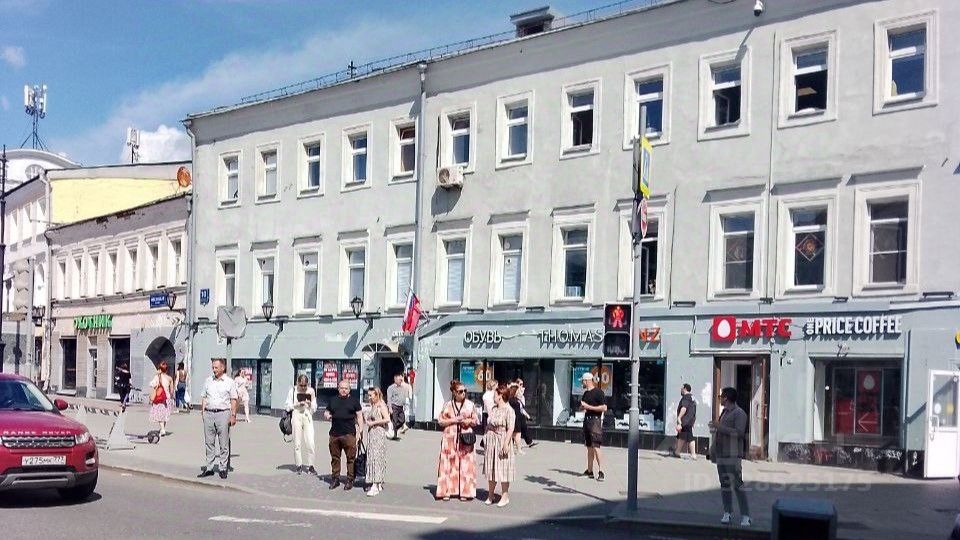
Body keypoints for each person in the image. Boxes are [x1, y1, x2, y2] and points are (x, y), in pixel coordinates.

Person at [709, 387, 751, 527]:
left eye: (721, 396)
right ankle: (727, 512)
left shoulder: (739, 413)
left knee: (737, 485)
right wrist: (713, 450)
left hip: (733, 454)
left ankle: (745, 515)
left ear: (726, 398)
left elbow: (739, 433)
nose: (720, 399)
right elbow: (720, 433)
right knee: (724, 485)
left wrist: (719, 427)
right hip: (721, 453)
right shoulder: (725, 412)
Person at [435, 379, 479, 502]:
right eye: (460, 391)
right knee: (448, 464)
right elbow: (440, 421)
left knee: (466, 464)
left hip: (465, 437)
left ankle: (466, 491)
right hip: (450, 437)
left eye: (465, 391)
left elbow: (476, 420)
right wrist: (454, 420)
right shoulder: (447, 405)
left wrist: (468, 421)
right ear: (454, 393)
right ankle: (446, 491)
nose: (463, 393)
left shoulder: (470, 405)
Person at [198, 358, 238, 479]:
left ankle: (223, 468)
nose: (214, 370)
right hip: (209, 413)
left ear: (222, 368)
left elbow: (234, 399)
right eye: (213, 367)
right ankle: (209, 467)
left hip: (223, 413)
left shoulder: (229, 382)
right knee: (209, 442)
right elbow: (204, 397)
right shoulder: (208, 381)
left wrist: (233, 415)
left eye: (216, 367)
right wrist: (203, 412)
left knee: (223, 443)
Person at [324, 380, 364, 490]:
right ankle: (335, 479)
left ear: (349, 390)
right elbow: (327, 412)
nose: (344, 390)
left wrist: (360, 431)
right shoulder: (333, 400)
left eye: (346, 388)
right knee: (335, 458)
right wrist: (327, 415)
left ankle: (350, 479)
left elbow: (359, 416)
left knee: (351, 458)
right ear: (338, 389)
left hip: (349, 434)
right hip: (334, 434)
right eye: (342, 388)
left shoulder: (354, 401)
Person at [483, 383, 516, 507]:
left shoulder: (509, 410)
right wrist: (486, 437)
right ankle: (490, 495)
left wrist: (506, 443)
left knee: (503, 469)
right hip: (491, 441)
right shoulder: (494, 409)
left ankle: (505, 496)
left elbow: (510, 428)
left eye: (495, 395)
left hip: (502, 440)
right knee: (491, 468)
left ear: (500, 396)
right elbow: (489, 424)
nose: (493, 397)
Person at [285, 374, 318, 476]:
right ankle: (298, 465)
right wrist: (296, 405)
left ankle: (311, 465)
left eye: (305, 385)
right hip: (296, 414)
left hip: (307, 415)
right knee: (297, 442)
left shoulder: (311, 391)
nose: (303, 388)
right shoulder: (293, 391)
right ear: (297, 383)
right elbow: (287, 406)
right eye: (301, 385)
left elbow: (314, 406)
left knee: (310, 442)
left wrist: (310, 405)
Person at [363, 387, 390, 496]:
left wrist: (373, 423)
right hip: (372, 434)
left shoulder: (381, 405)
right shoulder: (373, 405)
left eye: (371, 395)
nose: (369, 397)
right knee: (372, 457)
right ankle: (377, 483)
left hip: (378, 433)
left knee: (377, 458)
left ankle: (375, 484)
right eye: (368, 395)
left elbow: (387, 419)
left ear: (377, 395)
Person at [580, 372, 606, 482]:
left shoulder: (598, 392)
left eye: (583, 381)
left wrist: (588, 407)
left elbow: (604, 408)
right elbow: (584, 408)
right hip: (587, 420)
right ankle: (589, 470)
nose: (582, 383)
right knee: (589, 447)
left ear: (587, 381)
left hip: (595, 421)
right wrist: (582, 408)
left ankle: (601, 471)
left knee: (596, 446)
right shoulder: (586, 394)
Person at [149, 361, 175, 437]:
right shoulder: (170, 378)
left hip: (159, 398)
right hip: (167, 398)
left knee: (159, 414)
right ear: (166, 370)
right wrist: (171, 397)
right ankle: (162, 429)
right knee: (164, 415)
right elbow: (172, 390)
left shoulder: (157, 377)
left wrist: (156, 375)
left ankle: (162, 429)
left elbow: (152, 384)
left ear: (159, 369)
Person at [675, 383, 697, 458]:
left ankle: (693, 454)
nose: (681, 390)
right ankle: (677, 452)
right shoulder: (692, 398)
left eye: (682, 388)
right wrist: (693, 421)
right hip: (689, 420)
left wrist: (679, 417)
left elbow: (684, 408)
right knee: (682, 436)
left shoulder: (686, 397)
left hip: (685, 421)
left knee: (689, 437)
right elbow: (694, 411)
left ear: (685, 389)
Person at [386, 373, 406, 440]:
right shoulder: (391, 388)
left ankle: (393, 428)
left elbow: (403, 397)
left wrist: (404, 405)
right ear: (395, 380)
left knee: (402, 420)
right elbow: (389, 398)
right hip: (394, 406)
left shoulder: (402, 387)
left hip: (401, 407)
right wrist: (390, 408)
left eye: (401, 380)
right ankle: (394, 436)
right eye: (399, 380)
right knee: (395, 420)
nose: (401, 381)